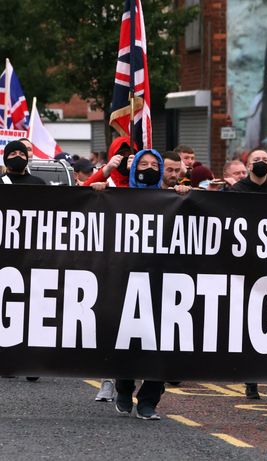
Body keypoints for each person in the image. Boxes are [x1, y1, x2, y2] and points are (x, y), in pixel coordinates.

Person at [227, 147, 267, 403]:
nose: (261, 163)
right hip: (246, 267)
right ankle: (251, 383)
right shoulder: (237, 192)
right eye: (256, 160)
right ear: (248, 165)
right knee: (249, 325)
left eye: (265, 159)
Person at [112, 149, 171, 420]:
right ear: (133, 168)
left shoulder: (174, 199)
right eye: (143, 164)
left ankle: (149, 400)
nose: (148, 168)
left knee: (162, 344)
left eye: (154, 164)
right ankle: (123, 386)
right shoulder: (119, 198)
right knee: (127, 342)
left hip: (164, 283)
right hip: (127, 281)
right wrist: (99, 188)